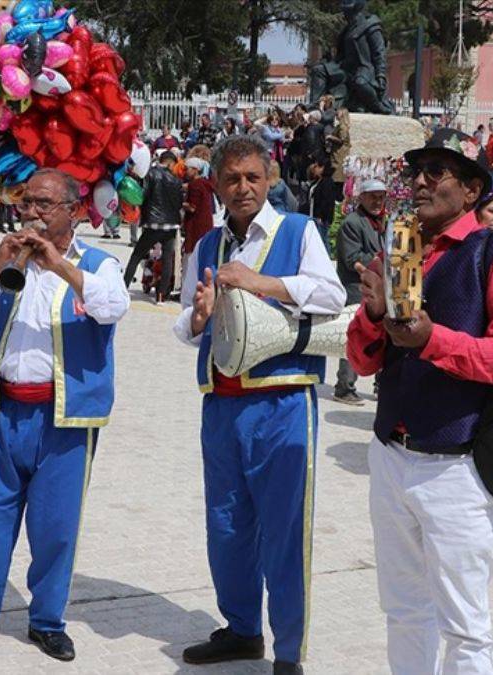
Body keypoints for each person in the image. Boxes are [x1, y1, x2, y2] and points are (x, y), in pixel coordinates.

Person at [347, 128, 493, 675]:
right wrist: (375, 315)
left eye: (438, 171)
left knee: (464, 624)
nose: (421, 182)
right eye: (417, 171)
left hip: (458, 467)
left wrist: (433, 341)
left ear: (473, 189)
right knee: (403, 611)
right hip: (391, 455)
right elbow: (362, 360)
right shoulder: (402, 249)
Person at [0, 169, 130, 661]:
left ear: (73, 210)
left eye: (44, 204)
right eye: (27, 203)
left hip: (65, 418)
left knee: (55, 526)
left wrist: (58, 264)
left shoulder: (99, 264)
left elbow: (113, 306)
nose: (32, 213)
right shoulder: (12, 263)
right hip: (7, 412)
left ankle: (46, 620)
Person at [175, 135, 346, 675]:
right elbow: (184, 321)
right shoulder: (207, 244)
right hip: (221, 406)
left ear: (269, 179)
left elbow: (333, 295)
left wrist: (262, 283)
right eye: (232, 179)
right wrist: (197, 319)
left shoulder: (298, 231)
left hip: (282, 402)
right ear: (217, 185)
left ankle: (288, 653)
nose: (243, 188)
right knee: (226, 525)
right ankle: (242, 629)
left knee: (284, 530)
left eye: (252, 177)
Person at [333, 178, 386, 406]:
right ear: (361, 198)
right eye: (373, 197)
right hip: (356, 287)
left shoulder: (380, 222)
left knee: (382, 335)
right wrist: (378, 262)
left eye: (381, 197)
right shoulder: (352, 223)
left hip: (377, 286)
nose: (377, 201)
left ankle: (380, 384)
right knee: (356, 335)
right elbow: (352, 258)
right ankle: (344, 387)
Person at [124, 151, 183, 302]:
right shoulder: (176, 180)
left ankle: (123, 288)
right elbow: (179, 203)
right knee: (167, 259)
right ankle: (161, 295)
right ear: (170, 162)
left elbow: (142, 196)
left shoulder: (149, 174)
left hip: (152, 224)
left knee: (137, 255)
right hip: (171, 225)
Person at [182, 157, 215, 264]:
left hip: (195, 224)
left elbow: (192, 207)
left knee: (192, 255)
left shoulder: (195, 185)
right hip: (206, 223)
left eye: (187, 169)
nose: (185, 172)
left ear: (195, 170)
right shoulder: (205, 183)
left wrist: (178, 203)